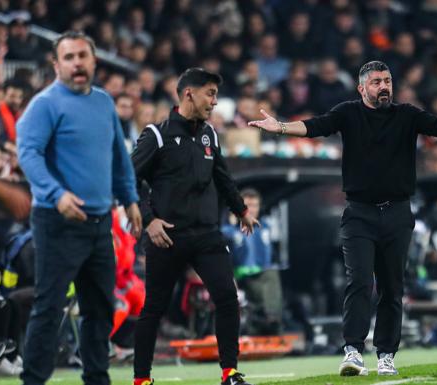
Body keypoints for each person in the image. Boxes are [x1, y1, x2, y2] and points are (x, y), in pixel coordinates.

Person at [248, 61, 437, 376]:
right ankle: (352, 351)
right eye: (376, 82)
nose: (384, 86)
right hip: (359, 213)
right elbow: (315, 126)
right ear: (362, 88)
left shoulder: (407, 115)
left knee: (392, 288)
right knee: (359, 282)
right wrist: (280, 127)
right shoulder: (348, 113)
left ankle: (386, 354)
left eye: (387, 80)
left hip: (398, 213)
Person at [16, 31, 141, 385]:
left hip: (100, 223)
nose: (77, 63)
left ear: (94, 60)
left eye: (82, 56)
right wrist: (56, 195)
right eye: (68, 58)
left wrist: (129, 198)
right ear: (56, 65)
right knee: (50, 307)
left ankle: (97, 379)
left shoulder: (103, 103)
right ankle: (33, 381)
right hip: (57, 220)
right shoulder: (44, 105)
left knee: (100, 307)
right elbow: (28, 154)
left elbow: (119, 156)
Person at [131, 67, 259, 385]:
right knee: (154, 307)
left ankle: (229, 372)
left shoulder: (209, 134)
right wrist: (149, 221)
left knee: (228, 298)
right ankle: (141, 379)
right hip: (167, 236)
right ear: (189, 93)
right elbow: (127, 180)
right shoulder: (156, 135)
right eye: (210, 93)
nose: (215, 101)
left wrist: (241, 209)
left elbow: (222, 177)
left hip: (206, 234)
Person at [221, 188, 283, 336]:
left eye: (255, 205)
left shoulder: (265, 228)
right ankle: (272, 316)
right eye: (248, 205)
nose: (252, 209)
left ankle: (269, 321)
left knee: (272, 276)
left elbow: (272, 256)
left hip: (262, 277)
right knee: (271, 276)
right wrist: (232, 222)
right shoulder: (229, 230)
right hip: (241, 278)